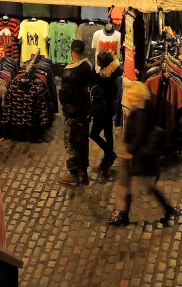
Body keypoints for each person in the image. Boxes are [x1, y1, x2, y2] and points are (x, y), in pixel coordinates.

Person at [107, 79, 176, 226]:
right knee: (136, 184)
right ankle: (124, 213)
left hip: (137, 156)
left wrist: (127, 150)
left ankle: (123, 214)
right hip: (141, 156)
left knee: (128, 184)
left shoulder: (139, 113)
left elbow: (138, 135)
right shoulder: (146, 105)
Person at [57, 39, 96, 185]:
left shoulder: (68, 72)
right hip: (85, 112)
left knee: (71, 142)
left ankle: (73, 173)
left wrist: (68, 110)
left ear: (72, 51)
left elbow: (64, 96)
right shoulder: (88, 66)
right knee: (83, 141)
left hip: (73, 114)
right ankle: (83, 172)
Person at [90, 49, 122, 176]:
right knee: (108, 133)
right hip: (110, 108)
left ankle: (109, 154)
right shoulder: (114, 72)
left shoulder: (103, 78)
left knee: (93, 134)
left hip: (103, 110)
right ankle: (107, 159)